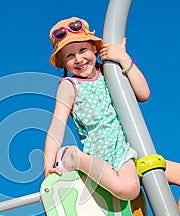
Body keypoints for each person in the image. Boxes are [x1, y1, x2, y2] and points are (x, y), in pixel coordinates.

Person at [44, 16, 180, 203]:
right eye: (69, 56)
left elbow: (143, 93)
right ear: (62, 63)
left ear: (94, 49)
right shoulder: (70, 85)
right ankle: (73, 157)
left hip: (131, 151)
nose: (78, 59)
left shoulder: (111, 72)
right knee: (129, 189)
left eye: (82, 50)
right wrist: (48, 168)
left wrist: (123, 59)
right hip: (103, 155)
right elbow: (56, 126)